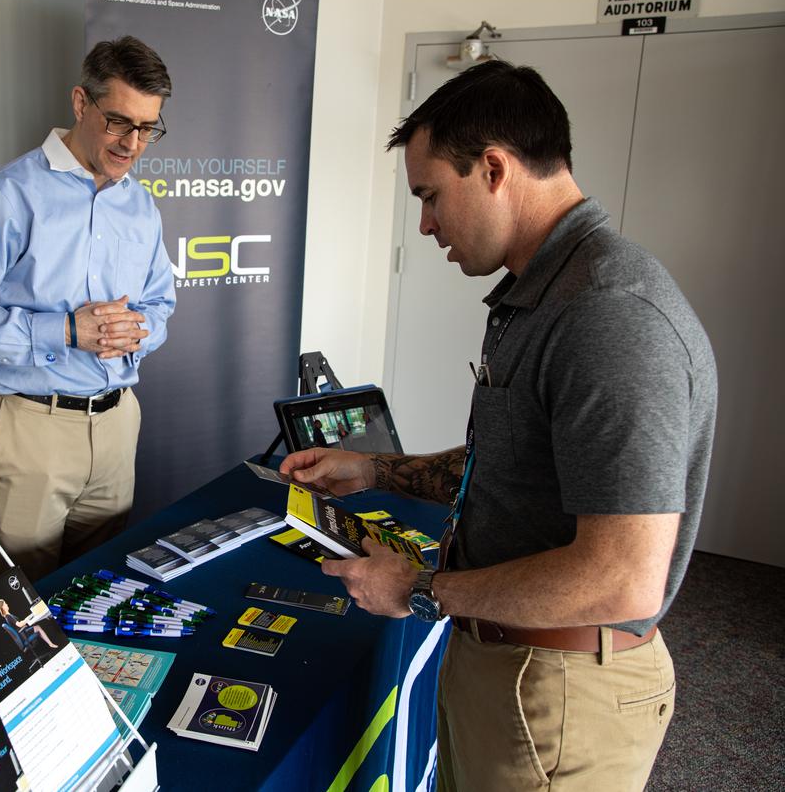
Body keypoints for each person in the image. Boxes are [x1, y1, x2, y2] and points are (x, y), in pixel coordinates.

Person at [280, 60, 716, 791]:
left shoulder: (607, 313)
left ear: (492, 168)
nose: (423, 224)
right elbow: (516, 463)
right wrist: (375, 470)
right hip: (513, 667)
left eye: (429, 196)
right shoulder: (541, 292)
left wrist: (419, 589)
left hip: (561, 690)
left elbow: (622, 577)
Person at [0, 36, 176, 579]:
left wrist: (137, 330)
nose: (132, 144)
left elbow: (160, 304)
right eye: (119, 122)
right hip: (28, 428)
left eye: (147, 128)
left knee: (99, 592)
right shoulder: (7, 194)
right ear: (81, 103)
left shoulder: (140, 205)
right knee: (25, 607)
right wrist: (65, 331)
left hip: (117, 426)